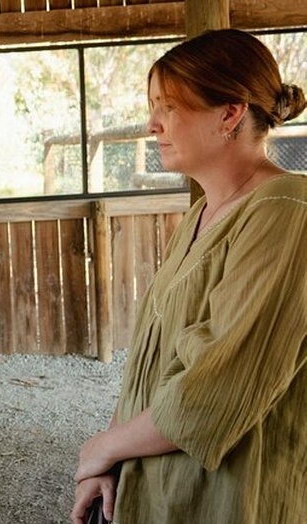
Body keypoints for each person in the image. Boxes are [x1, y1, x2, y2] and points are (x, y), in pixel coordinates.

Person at [71, 29, 307, 524]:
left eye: (168, 106)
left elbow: (216, 389)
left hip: (229, 499)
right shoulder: (203, 215)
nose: (152, 123)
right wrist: (106, 462)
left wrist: (104, 445)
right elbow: (151, 363)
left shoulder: (287, 212)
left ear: (229, 113)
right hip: (160, 494)